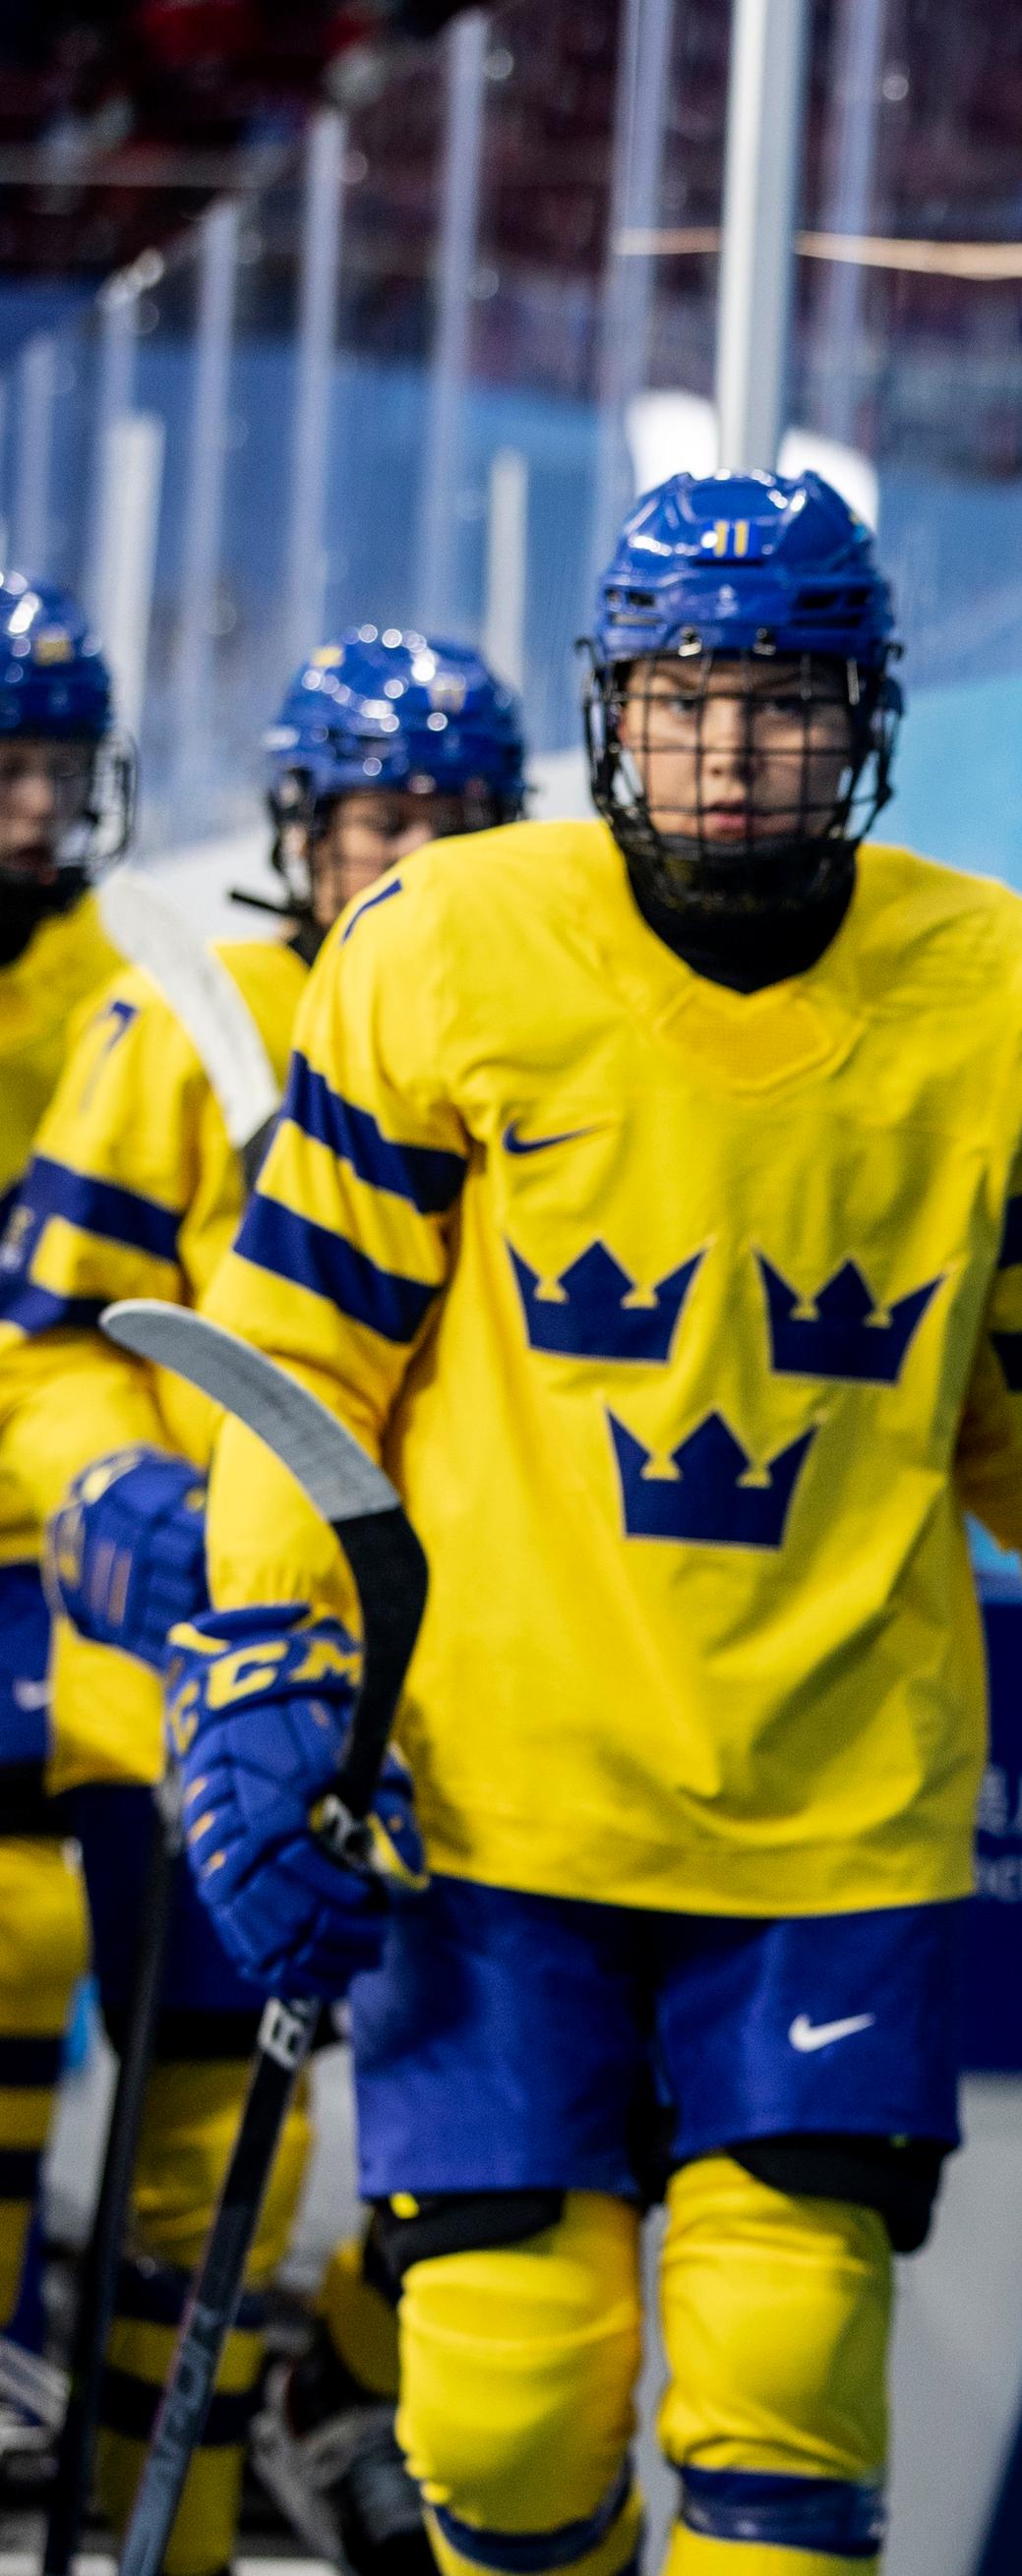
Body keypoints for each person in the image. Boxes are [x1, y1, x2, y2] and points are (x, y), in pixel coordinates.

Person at [164, 468, 1022, 2576]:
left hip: (830, 1811)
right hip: (492, 1792)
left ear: (867, 716)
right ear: (609, 709)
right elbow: (298, 1372)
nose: (728, 749)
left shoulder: (1020, 1004)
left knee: (785, 2377)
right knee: (503, 2388)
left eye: (783, 699)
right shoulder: (442, 947)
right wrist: (267, 1669)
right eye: (680, 696)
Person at [0, 624, 524, 2572]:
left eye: (451, 817)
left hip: (487, 1703)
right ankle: (182, 2538)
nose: (406, 851)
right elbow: (41, 1342)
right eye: (377, 814)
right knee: (203, 2153)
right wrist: (118, 1497)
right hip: (224, 1695)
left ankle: (321, 2407)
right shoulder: (194, 1022)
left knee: (501, 2155)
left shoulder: (535, 1019)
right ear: (303, 826)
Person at [0, 570, 144, 2357]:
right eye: (3, 766)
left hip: (48, 1550)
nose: (36, 805)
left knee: (29, 1940)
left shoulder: (134, 993)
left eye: (59, 767)